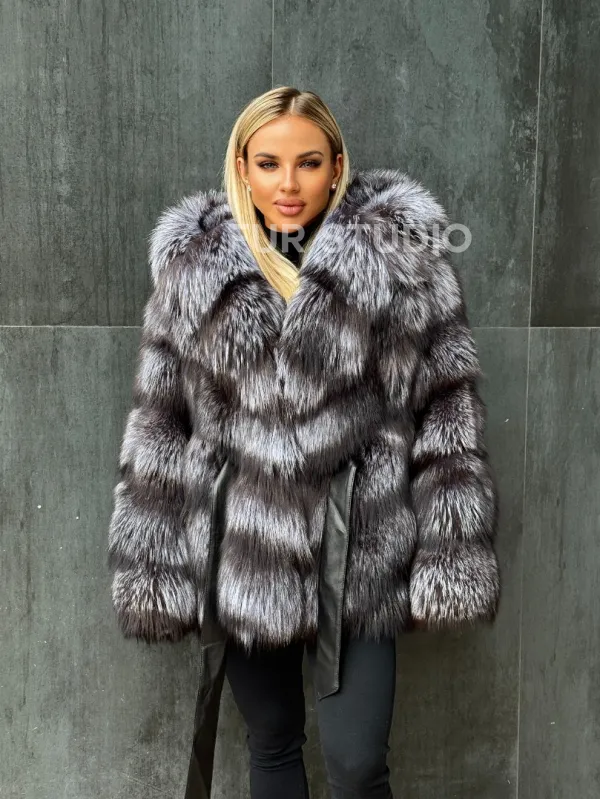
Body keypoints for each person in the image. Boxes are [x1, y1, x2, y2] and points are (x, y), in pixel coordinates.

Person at [106, 86, 501, 799]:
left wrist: (451, 553)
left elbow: (449, 415)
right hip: (243, 545)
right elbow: (160, 423)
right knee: (272, 742)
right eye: (269, 163)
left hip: (361, 545)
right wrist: (154, 569)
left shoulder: (403, 263)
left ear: (336, 165)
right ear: (242, 167)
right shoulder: (194, 273)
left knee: (357, 762)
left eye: (308, 162)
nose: (288, 184)